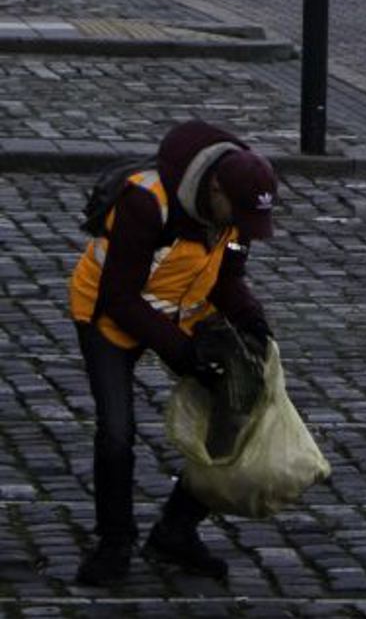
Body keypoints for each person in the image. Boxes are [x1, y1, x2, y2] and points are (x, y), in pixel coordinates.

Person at [65, 120, 280, 587]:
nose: (241, 228)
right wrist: (185, 354)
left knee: (237, 405)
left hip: (186, 309)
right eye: (239, 216)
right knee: (117, 432)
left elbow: (227, 277)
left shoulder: (236, 215)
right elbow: (120, 299)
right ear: (215, 189)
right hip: (106, 315)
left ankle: (175, 531)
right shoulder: (147, 203)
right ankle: (114, 543)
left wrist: (252, 321)